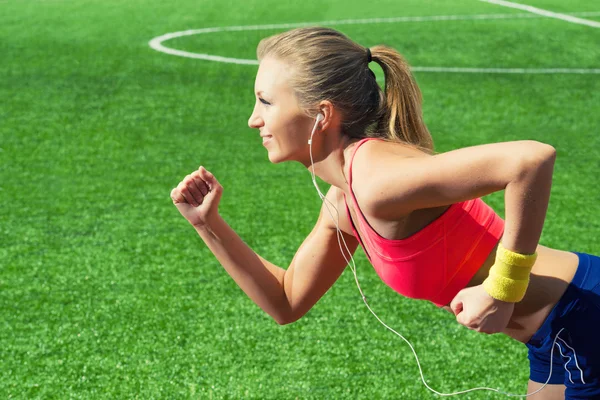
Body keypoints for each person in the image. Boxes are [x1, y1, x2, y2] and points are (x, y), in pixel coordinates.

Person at [170, 27, 600, 399]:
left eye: (265, 102)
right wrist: (209, 225)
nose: (252, 120)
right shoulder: (345, 199)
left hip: (583, 316)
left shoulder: (376, 183)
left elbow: (530, 160)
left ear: (322, 114)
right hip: (556, 336)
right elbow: (287, 301)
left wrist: (502, 289)